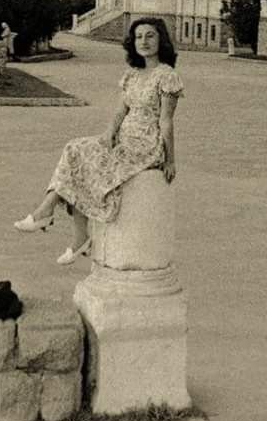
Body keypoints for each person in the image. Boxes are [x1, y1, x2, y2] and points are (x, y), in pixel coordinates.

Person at [14, 17, 183, 265]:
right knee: (75, 148)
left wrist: (170, 160)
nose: (144, 41)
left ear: (161, 40)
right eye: (138, 37)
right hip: (124, 139)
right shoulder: (132, 75)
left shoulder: (167, 76)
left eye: (150, 36)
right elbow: (119, 112)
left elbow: (167, 121)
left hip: (146, 146)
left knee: (89, 163)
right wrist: (108, 134)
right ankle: (65, 225)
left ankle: (50, 215)